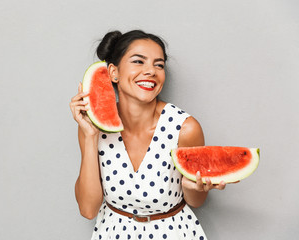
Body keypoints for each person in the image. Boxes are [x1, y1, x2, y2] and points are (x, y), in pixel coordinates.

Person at [70, 30, 226, 240]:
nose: (151, 71)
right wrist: (89, 136)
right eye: (138, 61)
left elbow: (196, 201)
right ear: (113, 72)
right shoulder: (93, 126)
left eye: (158, 65)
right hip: (113, 233)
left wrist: (194, 188)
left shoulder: (185, 128)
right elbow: (88, 210)